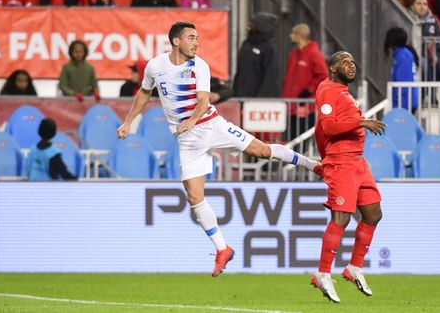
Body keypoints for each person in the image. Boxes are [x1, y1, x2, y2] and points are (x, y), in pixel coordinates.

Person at [116, 22, 321, 277]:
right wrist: (128, 121)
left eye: (197, 37)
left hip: (211, 125)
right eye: (191, 38)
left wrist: (191, 120)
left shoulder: (199, 65)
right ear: (176, 41)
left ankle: (312, 165)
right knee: (193, 197)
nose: (196, 42)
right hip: (188, 140)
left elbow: (204, 100)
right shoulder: (155, 67)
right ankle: (223, 248)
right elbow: (144, 94)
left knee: (261, 150)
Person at [310, 51, 386, 303]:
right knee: (341, 218)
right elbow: (328, 127)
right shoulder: (328, 89)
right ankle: (323, 273)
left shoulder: (343, 92)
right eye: (344, 62)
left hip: (357, 162)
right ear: (332, 68)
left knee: (373, 213)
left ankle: (354, 267)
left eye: (353, 61)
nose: (351, 65)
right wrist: (361, 123)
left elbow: (318, 131)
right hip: (342, 162)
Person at [281, 23, 328, 141]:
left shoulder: (314, 54)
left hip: (305, 106)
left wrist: (308, 90)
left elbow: (323, 76)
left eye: (293, 33)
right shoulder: (294, 54)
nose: (290, 35)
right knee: (291, 139)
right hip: (291, 104)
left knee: (301, 139)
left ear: (299, 35)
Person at [232, 12, 279, 98]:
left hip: (257, 100)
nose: (248, 26)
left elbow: (270, 75)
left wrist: (261, 97)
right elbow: (240, 71)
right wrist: (235, 91)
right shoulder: (246, 44)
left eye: (252, 24)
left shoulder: (269, 48)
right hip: (241, 96)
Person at [408, 0, 440, 81]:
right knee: (423, 63)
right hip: (415, 54)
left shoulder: (434, 19)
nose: (422, 7)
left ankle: (436, 90)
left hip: (433, 53)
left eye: (425, 4)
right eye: (419, 4)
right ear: (412, 6)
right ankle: (428, 91)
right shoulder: (407, 17)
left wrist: (435, 54)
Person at [384, 27, 419, 113]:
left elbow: (402, 84)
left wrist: (397, 107)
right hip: (406, 101)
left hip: (405, 103)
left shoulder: (402, 57)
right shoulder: (403, 54)